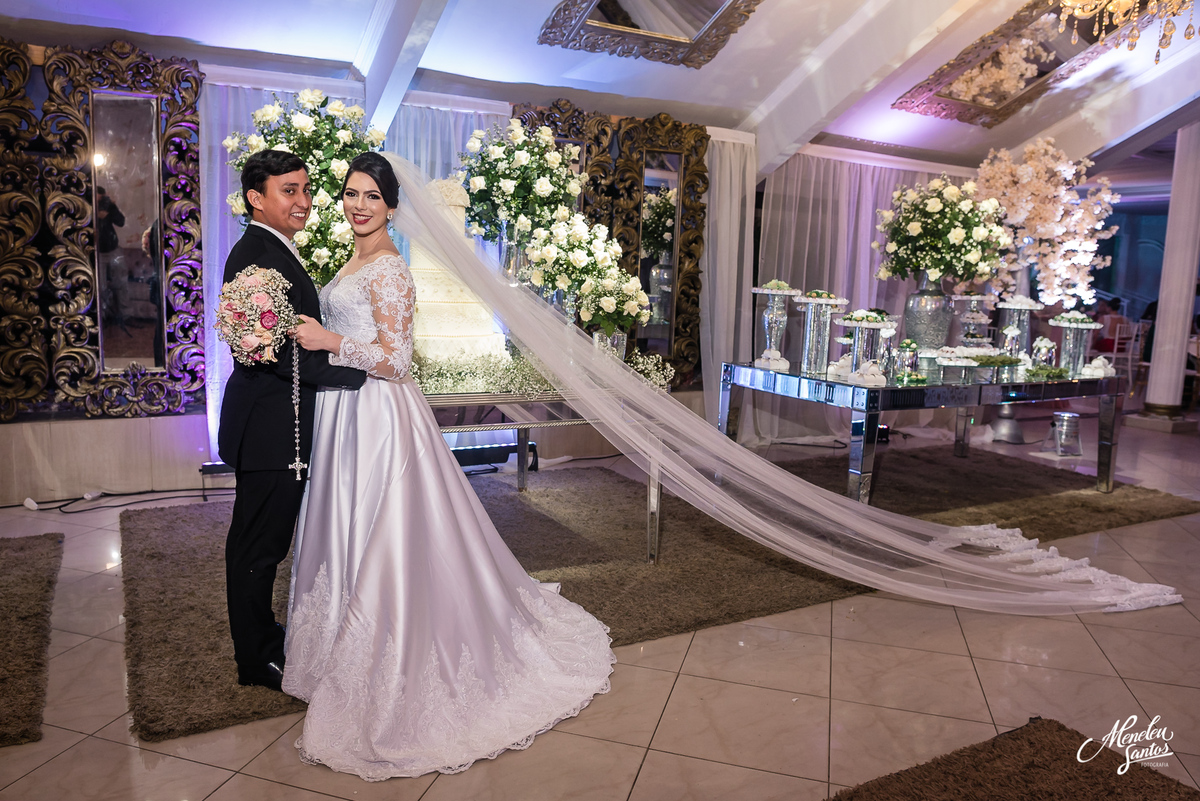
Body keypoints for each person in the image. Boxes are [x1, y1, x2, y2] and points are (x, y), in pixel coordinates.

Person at [287, 152, 614, 780]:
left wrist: (330, 341)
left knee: (387, 533)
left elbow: (397, 358)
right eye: (350, 194)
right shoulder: (355, 257)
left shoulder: (391, 270)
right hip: (344, 414)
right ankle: (334, 650)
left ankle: (390, 646)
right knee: (343, 529)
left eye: (370, 198)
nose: (357, 206)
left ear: (391, 206)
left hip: (378, 416)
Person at [218, 150, 366, 692]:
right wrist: (357, 375)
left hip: (282, 423)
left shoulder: (275, 250)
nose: (304, 201)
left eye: (306, 188)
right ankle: (257, 660)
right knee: (258, 547)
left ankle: (264, 643)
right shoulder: (256, 256)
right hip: (268, 428)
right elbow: (275, 352)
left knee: (266, 543)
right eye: (289, 190)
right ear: (257, 198)